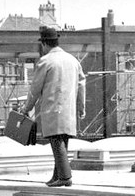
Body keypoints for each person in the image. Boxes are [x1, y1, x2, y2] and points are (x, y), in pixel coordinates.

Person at [15, 24, 86, 186]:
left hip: (53, 109)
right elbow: (82, 83)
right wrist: (81, 106)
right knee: (63, 142)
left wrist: (27, 108)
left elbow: (35, 89)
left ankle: (65, 178)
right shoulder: (73, 60)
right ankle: (57, 176)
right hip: (69, 110)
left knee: (56, 141)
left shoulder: (46, 61)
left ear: (44, 44)